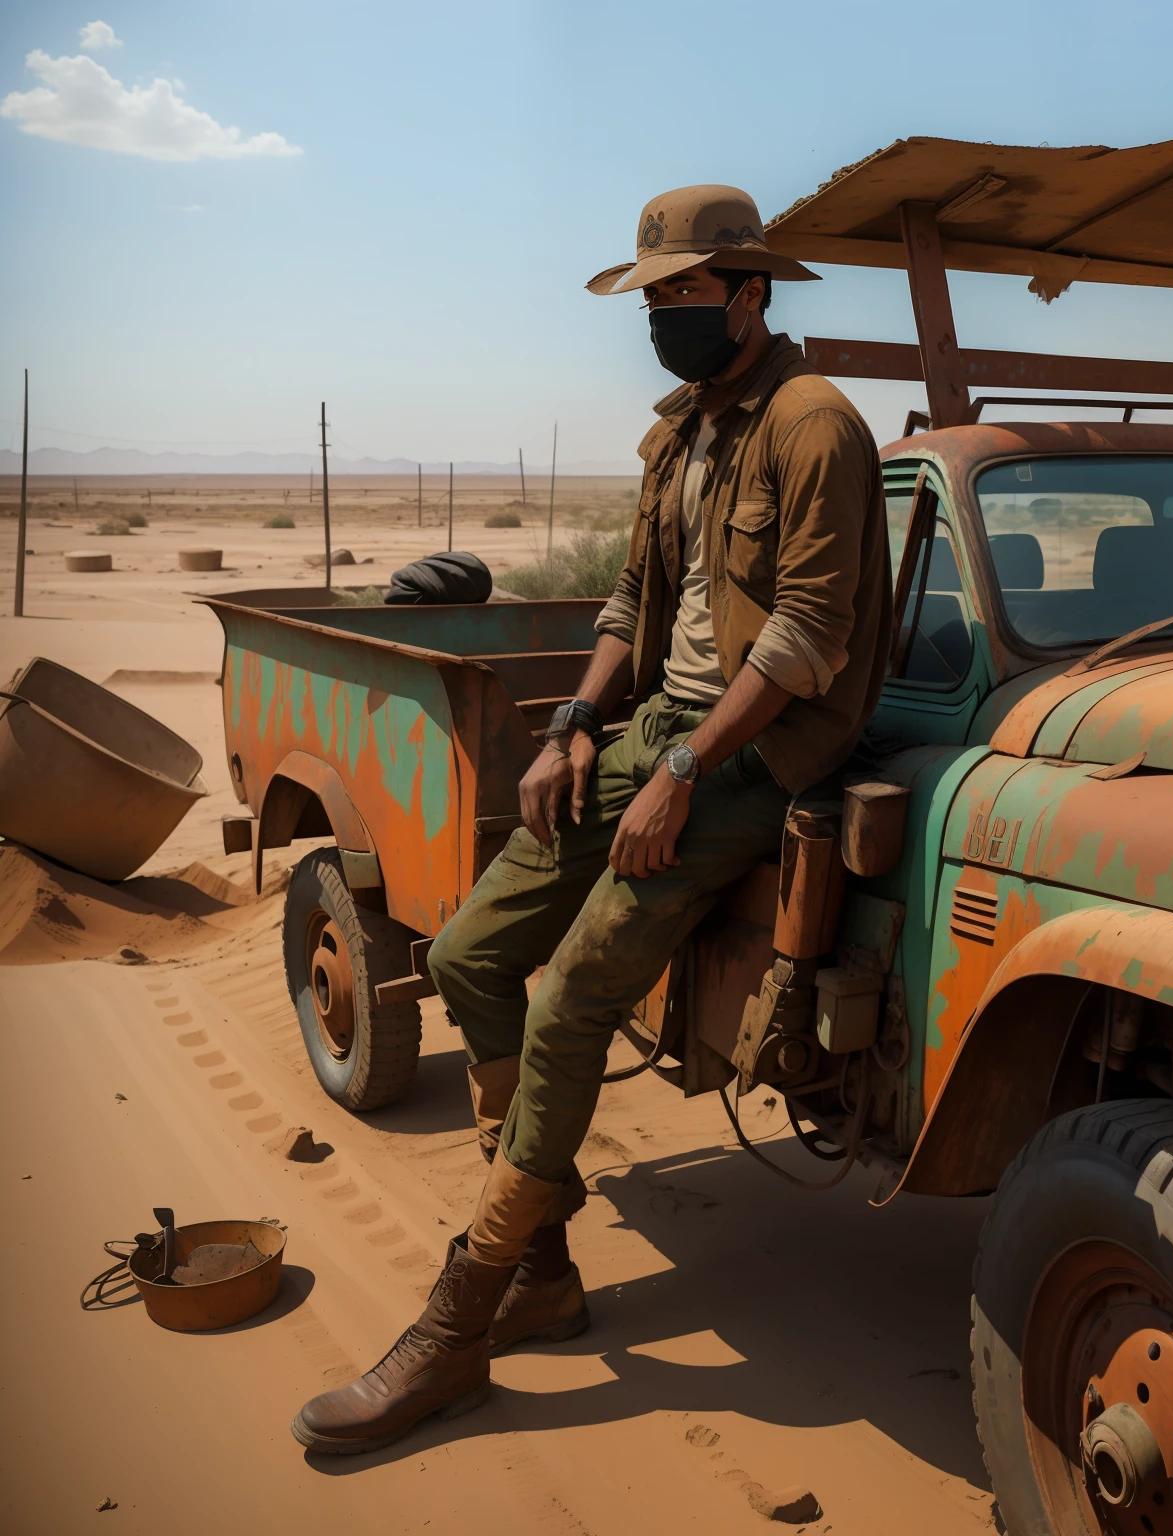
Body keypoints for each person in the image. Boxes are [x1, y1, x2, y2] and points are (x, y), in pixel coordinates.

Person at [291, 184, 894, 1455]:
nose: (667, 316)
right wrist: (572, 726)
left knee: (568, 1003)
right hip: (644, 739)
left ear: (751, 292)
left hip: (748, 762)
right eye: (655, 298)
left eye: (686, 293)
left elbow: (802, 637)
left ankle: (460, 1319)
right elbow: (629, 602)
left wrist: (685, 772)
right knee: (463, 958)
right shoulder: (679, 433)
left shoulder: (814, 426)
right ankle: (547, 1261)